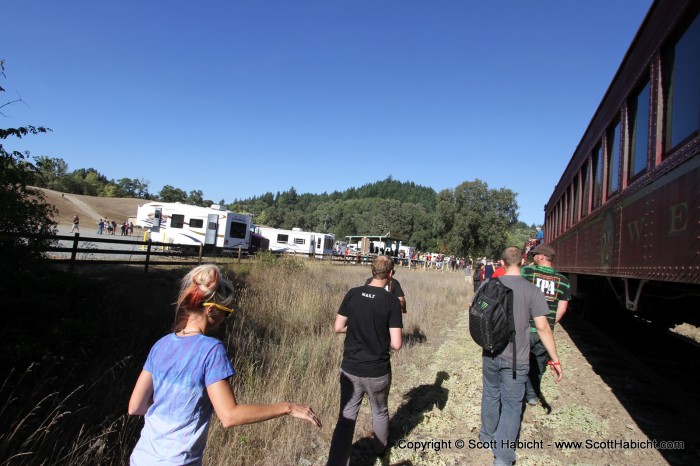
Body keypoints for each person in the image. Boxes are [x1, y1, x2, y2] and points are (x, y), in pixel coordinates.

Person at [128, 264, 321, 465]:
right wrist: (288, 407)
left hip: (141, 457)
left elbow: (136, 406)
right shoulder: (211, 349)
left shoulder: (162, 344)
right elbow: (229, 416)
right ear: (211, 310)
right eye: (226, 312)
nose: (225, 319)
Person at [479, 246, 562, 466]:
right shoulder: (532, 291)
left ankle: (486, 436)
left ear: (501, 263)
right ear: (523, 263)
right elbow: (543, 328)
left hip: (490, 352)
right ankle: (504, 456)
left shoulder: (489, 284)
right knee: (512, 405)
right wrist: (554, 358)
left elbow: (479, 311)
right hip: (517, 358)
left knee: (490, 394)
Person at [328, 255, 403, 465]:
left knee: (346, 419)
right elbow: (396, 344)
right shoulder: (391, 302)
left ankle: (335, 462)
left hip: (350, 369)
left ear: (372, 271)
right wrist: (378, 333)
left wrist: (360, 329)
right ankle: (380, 449)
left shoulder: (352, 294)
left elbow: (338, 327)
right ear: (390, 274)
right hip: (377, 371)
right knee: (379, 411)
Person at [520, 243, 570, 406]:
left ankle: (517, 391)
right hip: (545, 331)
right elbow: (562, 308)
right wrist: (548, 325)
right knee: (538, 363)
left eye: (534, 254)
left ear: (541, 257)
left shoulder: (526, 271)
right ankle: (532, 395)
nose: (532, 257)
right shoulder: (563, 281)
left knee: (519, 360)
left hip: (523, 326)